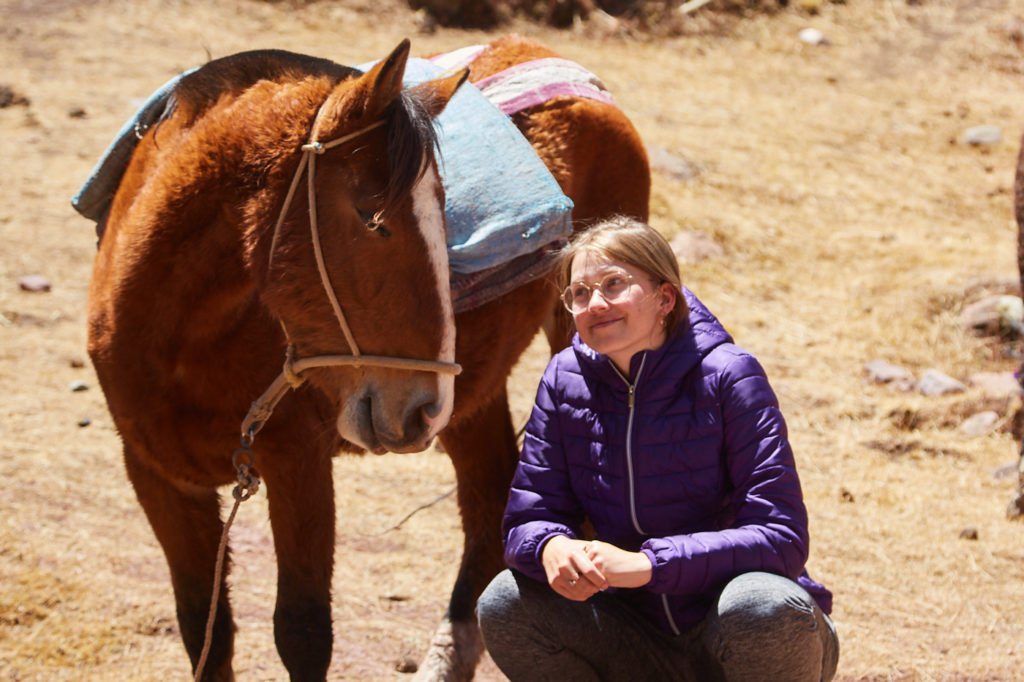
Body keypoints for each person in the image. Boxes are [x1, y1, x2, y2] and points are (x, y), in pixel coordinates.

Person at [477, 216, 839, 681]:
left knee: (759, 606)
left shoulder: (730, 376)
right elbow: (529, 516)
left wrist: (650, 564)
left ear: (664, 298)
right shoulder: (563, 380)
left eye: (614, 284)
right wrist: (549, 545)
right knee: (507, 601)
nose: (595, 304)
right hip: (636, 640)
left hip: (733, 636)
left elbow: (780, 536)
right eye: (580, 293)